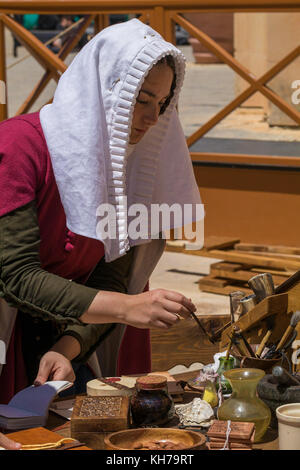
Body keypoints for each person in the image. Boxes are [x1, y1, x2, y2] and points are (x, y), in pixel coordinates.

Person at [0, 19, 204, 444]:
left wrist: (68, 347)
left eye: (162, 103)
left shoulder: (131, 169)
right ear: (102, 92)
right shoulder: (19, 148)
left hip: (72, 341)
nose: (151, 117)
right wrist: (128, 307)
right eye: (140, 98)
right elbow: (15, 275)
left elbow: (115, 274)